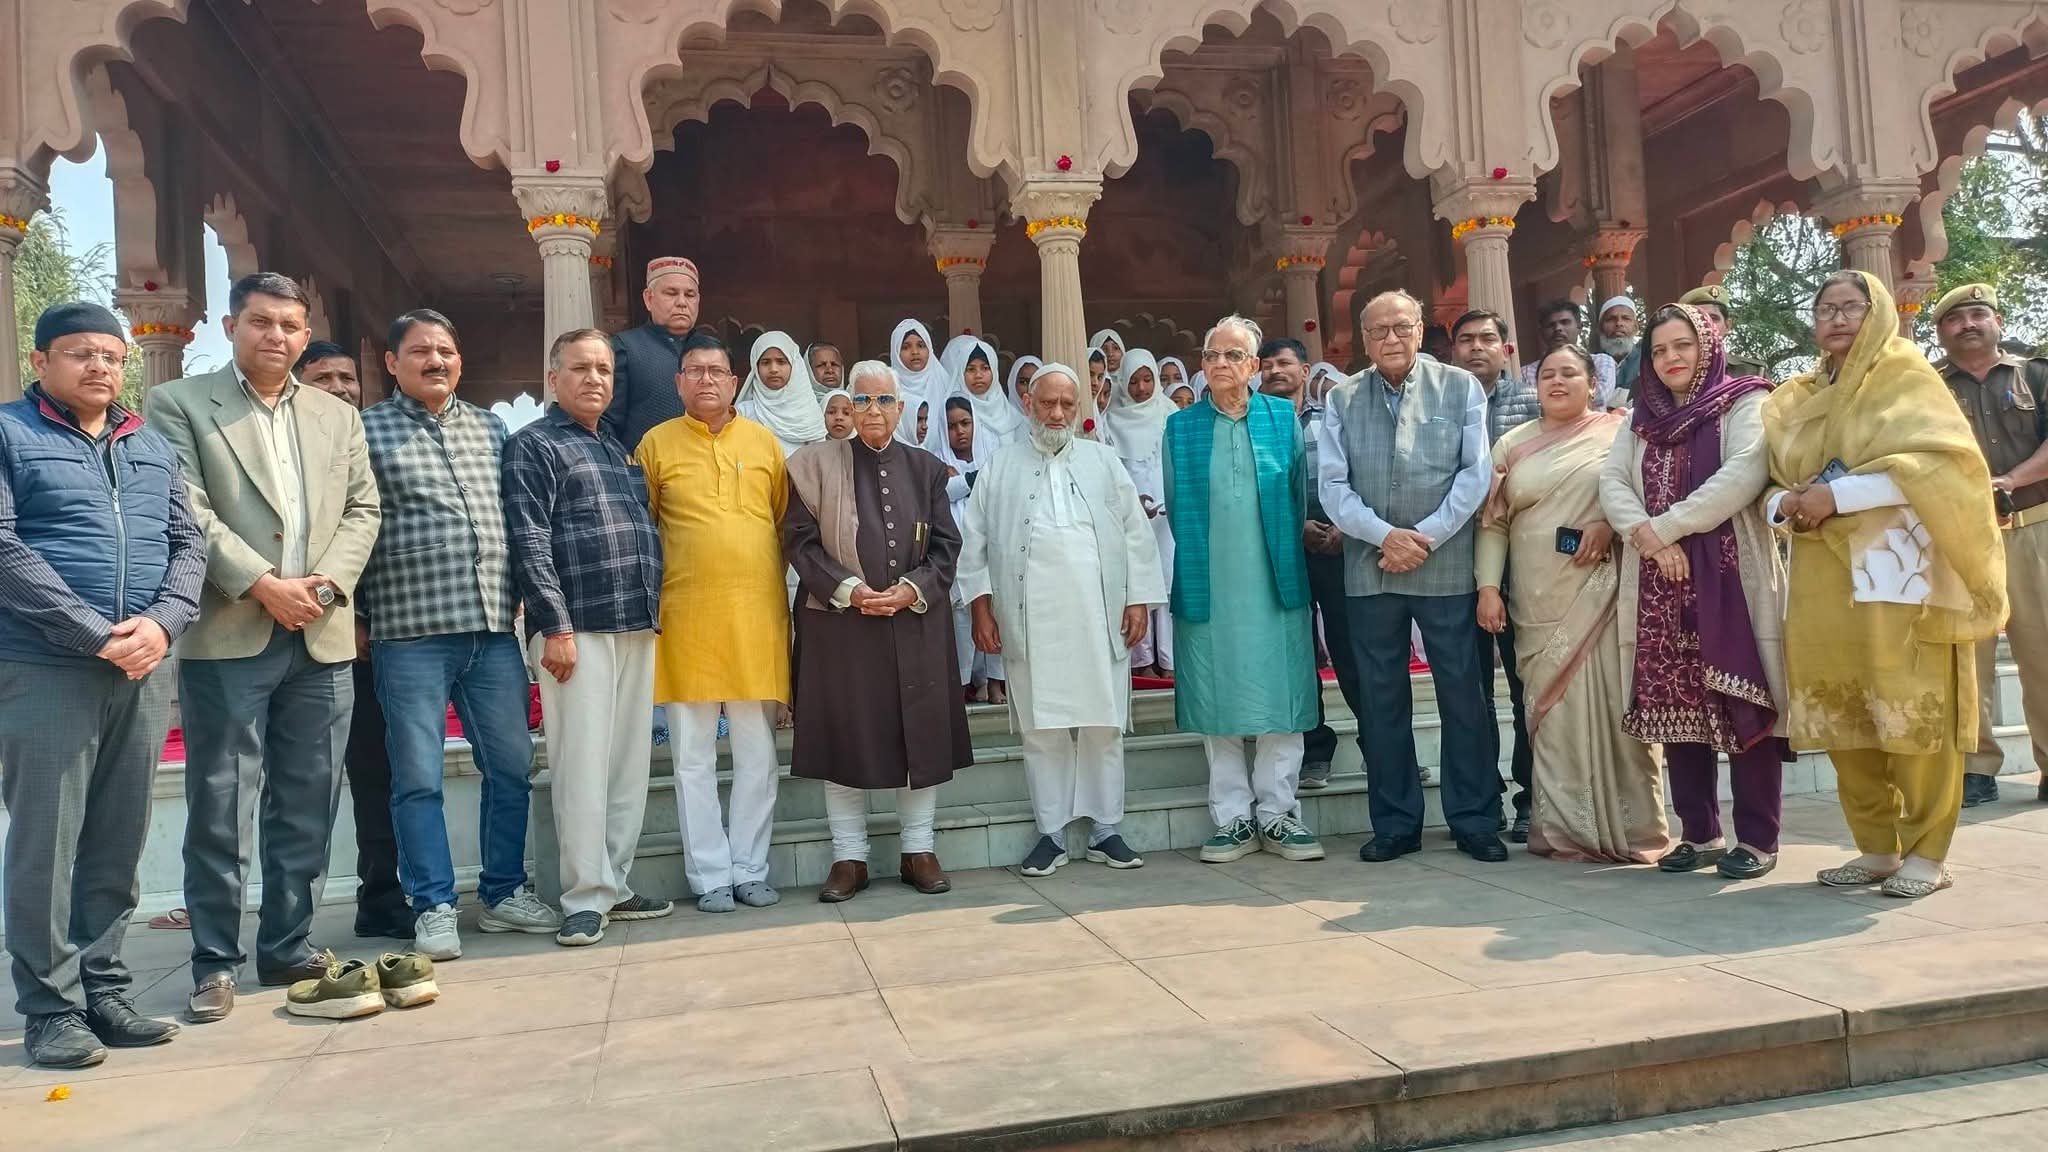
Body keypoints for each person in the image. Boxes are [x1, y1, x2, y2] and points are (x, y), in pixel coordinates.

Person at [145, 272, 382, 1023]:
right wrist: (262, 584)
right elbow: (188, 509)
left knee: (309, 801)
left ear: (305, 335)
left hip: (321, 631)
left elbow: (363, 508)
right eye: (260, 322)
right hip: (231, 631)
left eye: (288, 325)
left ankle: (287, 944)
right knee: (221, 804)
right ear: (230, 326)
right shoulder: (180, 403)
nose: (275, 335)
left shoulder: (335, 414)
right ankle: (215, 960)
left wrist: (326, 586)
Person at [2, 302, 205, 1068]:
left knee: (118, 838)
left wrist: (164, 623)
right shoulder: (10, 434)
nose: (99, 367)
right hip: (46, 666)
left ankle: (104, 989)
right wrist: (94, 633)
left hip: (144, 666)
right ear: (41, 360)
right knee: (47, 844)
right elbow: (3, 547)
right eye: (80, 353)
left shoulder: (148, 444)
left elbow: (188, 543)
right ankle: (50, 1008)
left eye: (112, 356)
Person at [1765, 270, 2007, 899]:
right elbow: (1772, 479)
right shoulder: (1797, 396)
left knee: (1912, 708)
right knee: (1843, 708)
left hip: (1902, 570)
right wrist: (1784, 504)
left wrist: (1836, 495)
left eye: (1852, 306)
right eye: (1826, 309)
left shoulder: (1906, 378)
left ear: (1878, 315)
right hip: (1822, 572)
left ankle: (1927, 853)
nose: (1838, 318)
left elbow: (1941, 466)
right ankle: (1876, 847)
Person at [361, 309, 559, 959]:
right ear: (392, 362)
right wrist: (356, 613)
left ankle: (502, 893)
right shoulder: (365, 430)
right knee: (417, 776)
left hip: (492, 628)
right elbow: (350, 523)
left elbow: (515, 515)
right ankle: (434, 905)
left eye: (445, 350)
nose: (435, 361)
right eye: (420, 351)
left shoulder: (490, 427)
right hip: (409, 631)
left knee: (511, 765)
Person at [1602, 303, 1788, 879]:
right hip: (1658, 579)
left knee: (1744, 697)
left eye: (1682, 345)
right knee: (1676, 704)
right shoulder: (1641, 418)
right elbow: (1613, 482)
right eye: (1659, 350)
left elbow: (1742, 476)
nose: (1671, 358)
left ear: (1707, 345)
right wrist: (1651, 539)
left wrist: (1664, 527)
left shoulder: (1745, 401)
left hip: (1729, 575)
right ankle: (1700, 832)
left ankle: (1758, 839)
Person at [961, 363, 1166, 876]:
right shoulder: (1000, 465)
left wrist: (1137, 599)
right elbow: (974, 541)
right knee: (1041, 727)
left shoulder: (1103, 461)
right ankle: (1050, 832)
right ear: (1028, 404)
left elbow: (1136, 534)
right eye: (1047, 403)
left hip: (1099, 615)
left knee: (1103, 722)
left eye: (1066, 405)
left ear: (1079, 409)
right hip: (1029, 619)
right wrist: (981, 606)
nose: (1056, 413)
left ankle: (1106, 829)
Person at [504, 330, 671, 947]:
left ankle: (614, 884)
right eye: (580, 368)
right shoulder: (534, 445)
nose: (595, 379)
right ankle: (583, 895)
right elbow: (529, 539)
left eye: (603, 369)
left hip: (634, 622)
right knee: (581, 764)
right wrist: (555, 626)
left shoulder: (615, 447)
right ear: (553, 379)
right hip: (576, 628)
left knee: (626, 764)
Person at [1322, 291, 1502, 863]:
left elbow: (1475, 475)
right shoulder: (1342, 397)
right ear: (1364, 339)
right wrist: (1385, 537)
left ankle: (1475, 819)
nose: (1391, 339)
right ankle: (1395, 823)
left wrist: (1423, 537)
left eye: (1401, 327)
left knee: (1463, 695)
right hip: (1371, 568)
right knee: (1381, 700)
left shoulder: (1460, 387)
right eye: (1378, 331)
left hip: (1444, 565)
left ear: (1421, 331)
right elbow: (1332, 486)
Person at [784, 361, 974, 901]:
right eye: (863, 400)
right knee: (844, 737)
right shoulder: (813, 466)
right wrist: (849, 590)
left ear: (900, 407)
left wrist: (912, 589)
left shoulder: (927, 468)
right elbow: (799, 541)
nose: (873, 410)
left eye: (883, 400)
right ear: (848, 406)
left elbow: (946, 546)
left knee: (919, 733)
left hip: (915, 622)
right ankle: (849, 857)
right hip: (840, 625)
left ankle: (919, 850)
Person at [1478, 346, 1667, 862]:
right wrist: (1488, 588)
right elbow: (1492, 524)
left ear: (1593, 383)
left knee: (1615, 706)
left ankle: (1634, 831)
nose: (1557, 382)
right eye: (1547, 375)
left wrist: (1609, 524)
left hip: (1606, 592)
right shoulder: (1511, 444)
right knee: (1551, 713)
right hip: (1537, 599)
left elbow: (1646, 498)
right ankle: (1564, 830)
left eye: (1569, 373)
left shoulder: (1620, 432)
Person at [636, 332, 792, 913]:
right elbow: (642, 530)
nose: (706, 380)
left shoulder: (764, 443)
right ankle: (709, 876)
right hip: (685, 621)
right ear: (679, 383)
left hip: (756, 618)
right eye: (695, 371)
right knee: (692, 758)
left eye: (717, 371)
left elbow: (782, 523)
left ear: (734, 382)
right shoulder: (655, 445)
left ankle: (750, 868)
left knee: (758, 755)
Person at [1168, 316, 1324, 864]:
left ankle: (1279, 813)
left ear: (1254, 366)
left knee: (1281, 694)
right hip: (1209, 582)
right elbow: (1176, 503)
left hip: (1274, 578)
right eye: (1212, 354)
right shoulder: (1180, 427)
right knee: (1216, 696)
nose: (1220, 363)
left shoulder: (1281, 418)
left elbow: (1297, 496)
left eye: (1233, 355)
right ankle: (1232, 817)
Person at [298, 341, 408, 939]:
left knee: (382, 772)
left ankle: (385, 896)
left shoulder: (368, 439)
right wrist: (352, 615)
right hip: (319, 629)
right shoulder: (290, 446)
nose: (340, 388)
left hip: (381, 633)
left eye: (347, 377)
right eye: (324, 378)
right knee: (329, 779)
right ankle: (297, 919)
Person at [1932, 283, 2048, 807]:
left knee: (2042, 651)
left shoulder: (2036, 375)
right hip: (1960, 535)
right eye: (1955, 319)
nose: (1968, 325)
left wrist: (2009, 481)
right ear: (1940, 332)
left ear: (1998, 321)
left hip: (2034, 529)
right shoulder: (1929, 386)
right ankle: (1976, 767)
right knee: (1966, 656)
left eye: (1979, 314)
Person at [1447, 310, 1537, 835]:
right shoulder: (1438, 405)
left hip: (1522, 569)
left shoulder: (1535, 403)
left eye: (1487, 339)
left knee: (1527, 687)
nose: (1476, 347)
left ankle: (1531, 796)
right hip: (1454, 569)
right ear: (1453, 350)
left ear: (1507, 349)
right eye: (1466, 340)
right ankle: (1483, 799)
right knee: (1470, 692)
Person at [1261, 338, 1361, 792]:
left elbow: (1358, 472)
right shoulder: (1255, 425)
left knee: (1353, 647)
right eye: (1266, 365)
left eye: (1284, 363)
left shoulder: (1334, 417)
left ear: (1305, 371)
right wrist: (1296, 525)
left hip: (1340, 544)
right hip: (1283, 547)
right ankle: (1315, 751)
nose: (1274, 371)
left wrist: (1345, 527)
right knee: (1297, 653)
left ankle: (1380, 748)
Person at [1105, 349, 1177, 679]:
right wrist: (1131, 503)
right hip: (1131, 515)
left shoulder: (1169, 413)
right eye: (1133, 381)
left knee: (1168, 582)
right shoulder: (1112, 419)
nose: (1142, 388)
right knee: (1138, 584)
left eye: (1148, 380)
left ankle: (1170, 659)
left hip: (1167, 516)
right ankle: (1142, 660)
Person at [933, 393, 1000, 702]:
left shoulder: (994, 456)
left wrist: (966, 480)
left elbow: (997, 490)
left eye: (965, 423)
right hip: (957, 555)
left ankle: (994, 682)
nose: (960, 431)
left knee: (996, 614)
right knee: (962, 621)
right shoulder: (935, 460)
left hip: (992, 550)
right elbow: (941, 493)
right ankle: (960, 685)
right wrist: (971, 481)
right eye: (951, 426)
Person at [605, 256, 703, 451]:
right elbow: (608, 424)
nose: (682, 302)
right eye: (671, 293)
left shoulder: (712, 350)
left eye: (690, 295)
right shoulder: (625, 347)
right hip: (645, 468)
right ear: (648, 299)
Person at [737, 331, 828, 457]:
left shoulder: (809, 411)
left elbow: (819, 460)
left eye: (781, 362)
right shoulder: (743, 412)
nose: (773, 369)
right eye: (765, 362)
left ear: (794, 365)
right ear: (755, 367)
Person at [1522, 299, 1618, 408]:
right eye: (1551, 325)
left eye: (1565, 322)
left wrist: (1553, 400)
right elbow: (1534, 407)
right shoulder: (1526, 372)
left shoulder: (1601, 361)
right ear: (1541, 332)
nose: (1558, 328)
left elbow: (1600, 396)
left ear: (1579, 327)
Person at [1677, 284, 1767, 379]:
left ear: (1727, 326)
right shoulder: (1673, 371)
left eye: (1713, 318)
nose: (1706, 324)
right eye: (1698, 319)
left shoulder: (1753, 372)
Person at [889, 320, 949, 445]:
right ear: (896, 352)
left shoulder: (944, 382)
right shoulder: (888, 389)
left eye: (921, 346)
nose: (915, 352)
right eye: (906, 347)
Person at [1598, 296, 1643, 403]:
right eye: (1611, 319)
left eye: (1626, 318)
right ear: (1600, 328)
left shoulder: (1647, 361)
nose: (1619, 323)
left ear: (1636, 327)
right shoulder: (1592, 364)